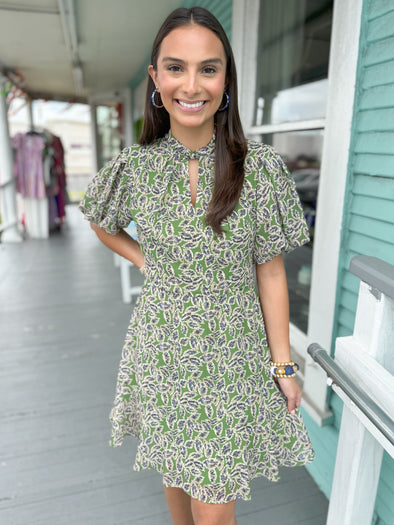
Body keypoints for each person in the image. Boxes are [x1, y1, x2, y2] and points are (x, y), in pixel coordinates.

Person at [79, 6, 314, 525]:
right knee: (177, 476)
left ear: (226, 78)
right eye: (176, 67)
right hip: (162, 347)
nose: (192, 84)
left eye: (208, 68)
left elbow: (271, 272)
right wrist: (146, 259)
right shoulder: (135, 166)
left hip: (232, 356)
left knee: (214, 511)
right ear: (155, 78)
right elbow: (101, 220)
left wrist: (282, 364)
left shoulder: (261, 167)